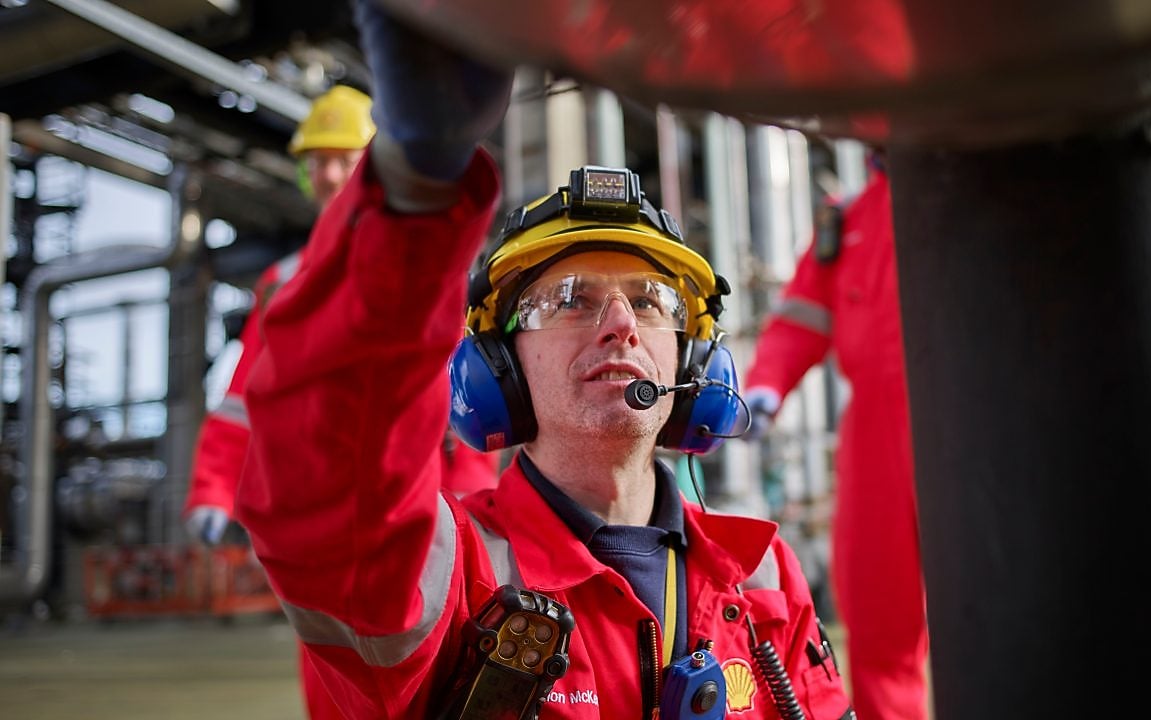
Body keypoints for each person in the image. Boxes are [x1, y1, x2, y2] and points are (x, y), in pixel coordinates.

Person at [234, 1, 855, 717]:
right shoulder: (445, 575)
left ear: (698, 366)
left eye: (652, 302)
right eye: (569, 299)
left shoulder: (764, 573)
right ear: (497, 368)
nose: (621, 323)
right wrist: (412, 185)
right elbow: (321, 485)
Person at [182, 84, 496, 719]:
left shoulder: (431, 263)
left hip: (418, 501)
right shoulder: (282, 281)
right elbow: (245, 398)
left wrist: (473, 495)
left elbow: (462, 391)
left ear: (373, 161)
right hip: (315, 512)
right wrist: (213, 488)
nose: (326, 174)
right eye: (314, 160)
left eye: (341, 157)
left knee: (438, 674)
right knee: (331, 671)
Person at [741, 155, 929, 720]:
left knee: (1003, 596)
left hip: (971, 415)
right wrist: (766, 384)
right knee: (876, 609)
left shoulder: (980, 188)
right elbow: (800, 316)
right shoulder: (847, 221)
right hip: (874, 433)